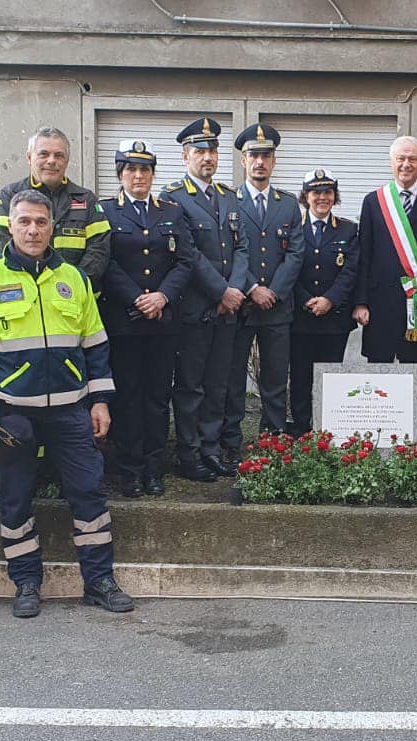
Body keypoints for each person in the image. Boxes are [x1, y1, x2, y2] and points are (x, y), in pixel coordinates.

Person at [0, 189, 133, 618]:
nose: (33, 230)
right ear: (9, 226)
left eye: (41, 222)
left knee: (89, 493)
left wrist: (100, 401)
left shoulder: (75, 279)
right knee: (15, 499)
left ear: (53, 227)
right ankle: (27, 583)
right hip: (12, 412)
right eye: (24, 222)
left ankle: (99, 581)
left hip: (71, 410)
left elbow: (95, 345)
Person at [101, 139, 194, 497]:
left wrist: (162, 296)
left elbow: (185, 260)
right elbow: (105, 261)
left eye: (144, 169)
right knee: (127, 396)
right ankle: (129, 470)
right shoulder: (106, 211)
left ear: (153, 174)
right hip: (125, 321)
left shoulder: (171, 211)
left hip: (162, 322)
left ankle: (153, 469)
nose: (138, 175)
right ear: (120, 174)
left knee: (157, 398)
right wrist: (137, 298)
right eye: (130, 169)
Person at [161, 117, 245, 480]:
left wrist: (235, 291)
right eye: (199, 151)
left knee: (218, 383)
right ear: (185, 156)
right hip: (195, 308)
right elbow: (188, 254)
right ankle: (189, 452)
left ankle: (211, 449)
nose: (207, 157)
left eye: (212, 151)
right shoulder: (173, 198)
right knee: (191, 385)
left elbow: (241, 248)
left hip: (227, 309)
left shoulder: (228, 196)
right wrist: (221, 291)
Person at [224, 123, 303, 452]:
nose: (260, 162)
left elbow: (296, 253)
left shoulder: (288, 204)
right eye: (253, 155)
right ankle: (230, 442)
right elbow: (226, 251)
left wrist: (274, 292)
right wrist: (252, 287)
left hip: (277, 307)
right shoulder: (228, 200)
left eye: (266, 156)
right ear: (243, 161)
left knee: (274, 380)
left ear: (273, 161)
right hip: (240, 305)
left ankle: (274, 442)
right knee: (231, 382)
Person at [352, 136, 417, 363]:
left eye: (412, 159)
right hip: (380, 304)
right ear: (391, 161)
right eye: (401, 158)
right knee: (380, 372)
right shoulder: (374, 201)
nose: (406, 164)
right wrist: (360, 302)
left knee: (413, 374)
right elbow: (364, 256)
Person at [0, 126, 112, 288]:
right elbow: (2, 245)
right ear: (29, 157)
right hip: (24, 296)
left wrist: (73, 287)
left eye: (59, 155)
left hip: (74, 297)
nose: (51, 160)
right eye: (44, 154)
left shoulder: (86, 200)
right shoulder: (9, 196)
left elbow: (99, 251)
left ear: (67, 161)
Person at [287, 168, 360, 437]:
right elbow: (288, 270)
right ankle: (301, 428)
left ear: (335, 196)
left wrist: (329, 299)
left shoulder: (349, 229)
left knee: (331, 377)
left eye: (327, 192)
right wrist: (306, 300)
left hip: (334, 319)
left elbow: (351, 271)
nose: (322, 197)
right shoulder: (293, 229)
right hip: (301, 318)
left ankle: (328, 428)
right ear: (305, 196)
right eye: (316, 192)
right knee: (301, 378)